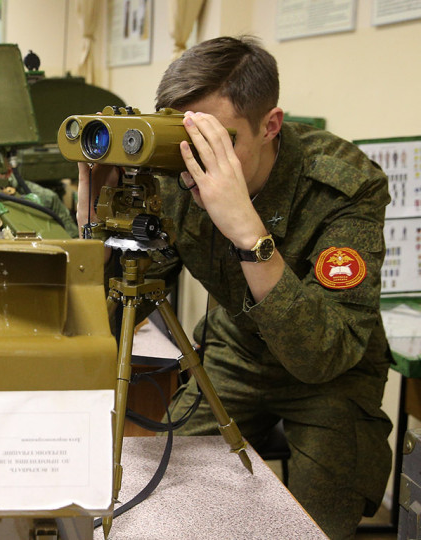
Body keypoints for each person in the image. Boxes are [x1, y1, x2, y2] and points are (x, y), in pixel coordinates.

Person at [78, 36, 392, 539]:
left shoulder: (344, 185)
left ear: (270, 126)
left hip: (331, 373)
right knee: (163, 496)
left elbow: (323, 354)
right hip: (237, 352)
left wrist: (249, 235)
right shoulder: (180, 176)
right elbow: (114, 313)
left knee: (313, 524)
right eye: (186, 138)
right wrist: (98, 237)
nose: (198, 162)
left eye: (217, 142)